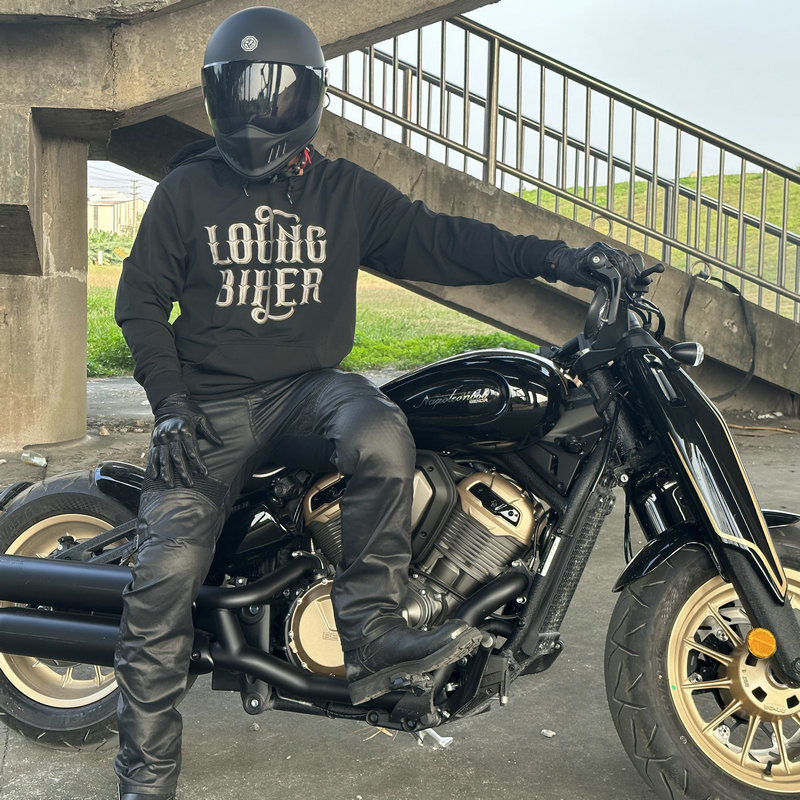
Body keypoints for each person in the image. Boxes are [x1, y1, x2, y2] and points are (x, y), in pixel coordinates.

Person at [112, 7, 648, 799]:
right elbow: (138, 306)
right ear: (218, 96)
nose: (258, 108)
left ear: (306, 97)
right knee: (161, 592)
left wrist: (561, 258)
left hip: (306, 391)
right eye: (241, 89)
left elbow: (447, 240)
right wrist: (168, 405)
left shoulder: (344, 191)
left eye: (273, 90)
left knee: (382, 433)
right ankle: (146, 782)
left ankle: (369, 629)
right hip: (208, 407)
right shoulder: (186, 190)